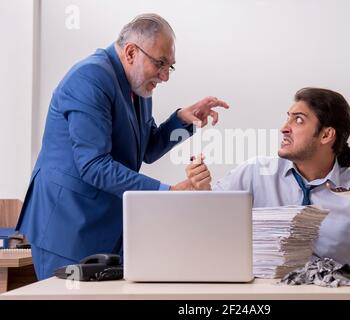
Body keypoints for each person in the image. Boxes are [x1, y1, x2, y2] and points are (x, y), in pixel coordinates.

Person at [16, 13, 229, 280]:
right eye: (160, 63)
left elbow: (147, 149)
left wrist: (182, 120)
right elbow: (94, 166)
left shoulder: (138, 87)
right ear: (131, 53)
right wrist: (168, 192)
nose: (165, 76)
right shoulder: (89, 78)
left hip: (107, 225)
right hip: (67, 228)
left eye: (170, 66)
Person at [186, 87, 350, 272]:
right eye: (287, 117)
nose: (284, 127)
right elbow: (209, 227)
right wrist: (203, 192)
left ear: (326, 135)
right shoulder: (254, 173)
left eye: (298, 120)